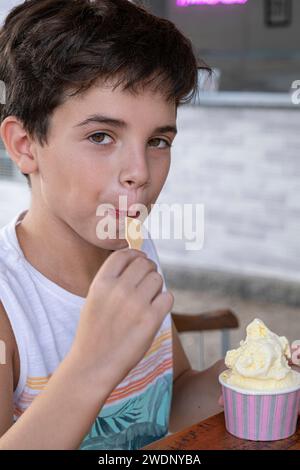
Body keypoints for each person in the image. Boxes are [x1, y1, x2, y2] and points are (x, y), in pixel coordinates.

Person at [0, 0, 224, 450]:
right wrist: (93, 363)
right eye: (101, 136)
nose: (139, 171)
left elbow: (174, 398)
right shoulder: (10, 308)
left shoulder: (135, 251)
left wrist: (260, 369)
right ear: (25, 145)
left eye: (158, 141)